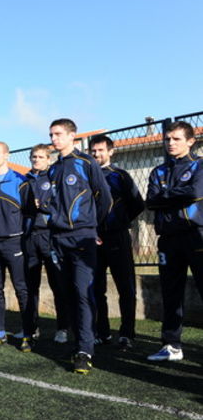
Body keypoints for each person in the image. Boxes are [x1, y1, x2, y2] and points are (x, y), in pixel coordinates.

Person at [43, 118, 111, 374]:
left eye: (59, 134)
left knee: (83, 292)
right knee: (67, 293)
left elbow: (103, 198)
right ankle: (79, 339)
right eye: (51, 135)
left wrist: (93, 227)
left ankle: (85, 350)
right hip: (58, 239)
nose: (54, 139)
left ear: (72, 136)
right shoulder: (53, 168)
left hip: (82, 237)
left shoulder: (86, 163)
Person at [145, 121, 203, 362]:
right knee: (171, 293)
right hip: (167, 239)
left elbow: (194, 193)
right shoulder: (158, 171)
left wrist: (165, 196)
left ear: (190, 141)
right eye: (167, 139)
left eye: (176, 139)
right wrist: (172, 196)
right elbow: (150, 202)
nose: (170, 143)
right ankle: (171, 345)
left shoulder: (199, 165)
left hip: (196, 235)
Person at [89, 134, 144, 351]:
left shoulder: (120, 176)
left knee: (126, 287)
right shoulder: (87, 177)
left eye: (101, 150)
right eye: (93, 151)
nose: (97, 154)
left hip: (117, 238)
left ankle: (127, 334)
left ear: (111, 151)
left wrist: (119, 223)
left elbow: (137, 204)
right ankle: (102, 333)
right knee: (96, 289)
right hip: (93, 238)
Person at [0, 142, 34, 351]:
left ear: (7, 155)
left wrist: (22, 236)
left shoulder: (20, 182)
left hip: (14, 242)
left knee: (22, 288)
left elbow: (30, 213)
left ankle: (28, 333)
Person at [23, 144, 72, 344]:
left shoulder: (53, 178)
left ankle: (63, 328)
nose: (36, 160)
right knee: (30, 285)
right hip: (29, 237)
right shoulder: (24, 181)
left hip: (50, 236)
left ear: (48, 159)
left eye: (41, 157)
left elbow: (61, 204)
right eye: (34, 157)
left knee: (58, 284)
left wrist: (42, 206)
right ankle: (32, 327)